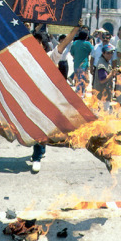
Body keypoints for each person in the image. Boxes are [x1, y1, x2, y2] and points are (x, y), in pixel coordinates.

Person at [31, 22, 82, 173]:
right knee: (35, 127)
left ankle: (37, 156)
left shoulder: (50, 57)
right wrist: (37, 26)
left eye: (37, 44)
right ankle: (40, 149)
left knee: (40, 126)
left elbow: (64, 43)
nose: (34, 47)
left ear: (43, 45)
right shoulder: (26, 61)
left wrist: (75, 29)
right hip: (31, 99)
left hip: (47, 100)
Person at [93, 45, 116, 112]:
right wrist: (111, 73)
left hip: (105, 93)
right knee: (103, 112)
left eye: (111, 53)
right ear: (103, 53)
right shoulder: (102, 65)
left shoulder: (105, 61)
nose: (110, 55)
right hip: (102, 94)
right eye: (108, 53)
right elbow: (102, 80)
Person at [70, 31, 93, 97]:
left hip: (76, 65)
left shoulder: (74, 43)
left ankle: (78, 95)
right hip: (84, 65)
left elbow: (72, 53)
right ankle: (79, 96)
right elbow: (92, 51)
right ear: (86, 37)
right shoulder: (87, 44)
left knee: (78, 81)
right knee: (83, 81)